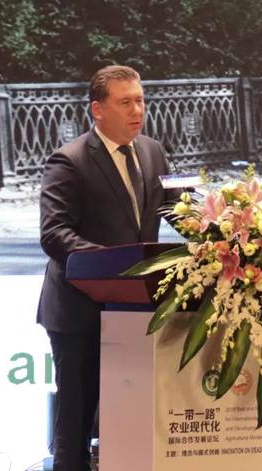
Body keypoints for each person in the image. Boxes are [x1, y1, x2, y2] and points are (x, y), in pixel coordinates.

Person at [36, 65, 180, 471]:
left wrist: (227, 233)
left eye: (140, 100)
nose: (137, 110)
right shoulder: (69, 161)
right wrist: (112, 266)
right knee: (76, 423)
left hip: (136, 310)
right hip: (80, 311)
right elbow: (54, 234)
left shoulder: (153, 151)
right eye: (125, 102)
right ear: (97, 110)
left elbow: (180, 211)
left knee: (135, 417)